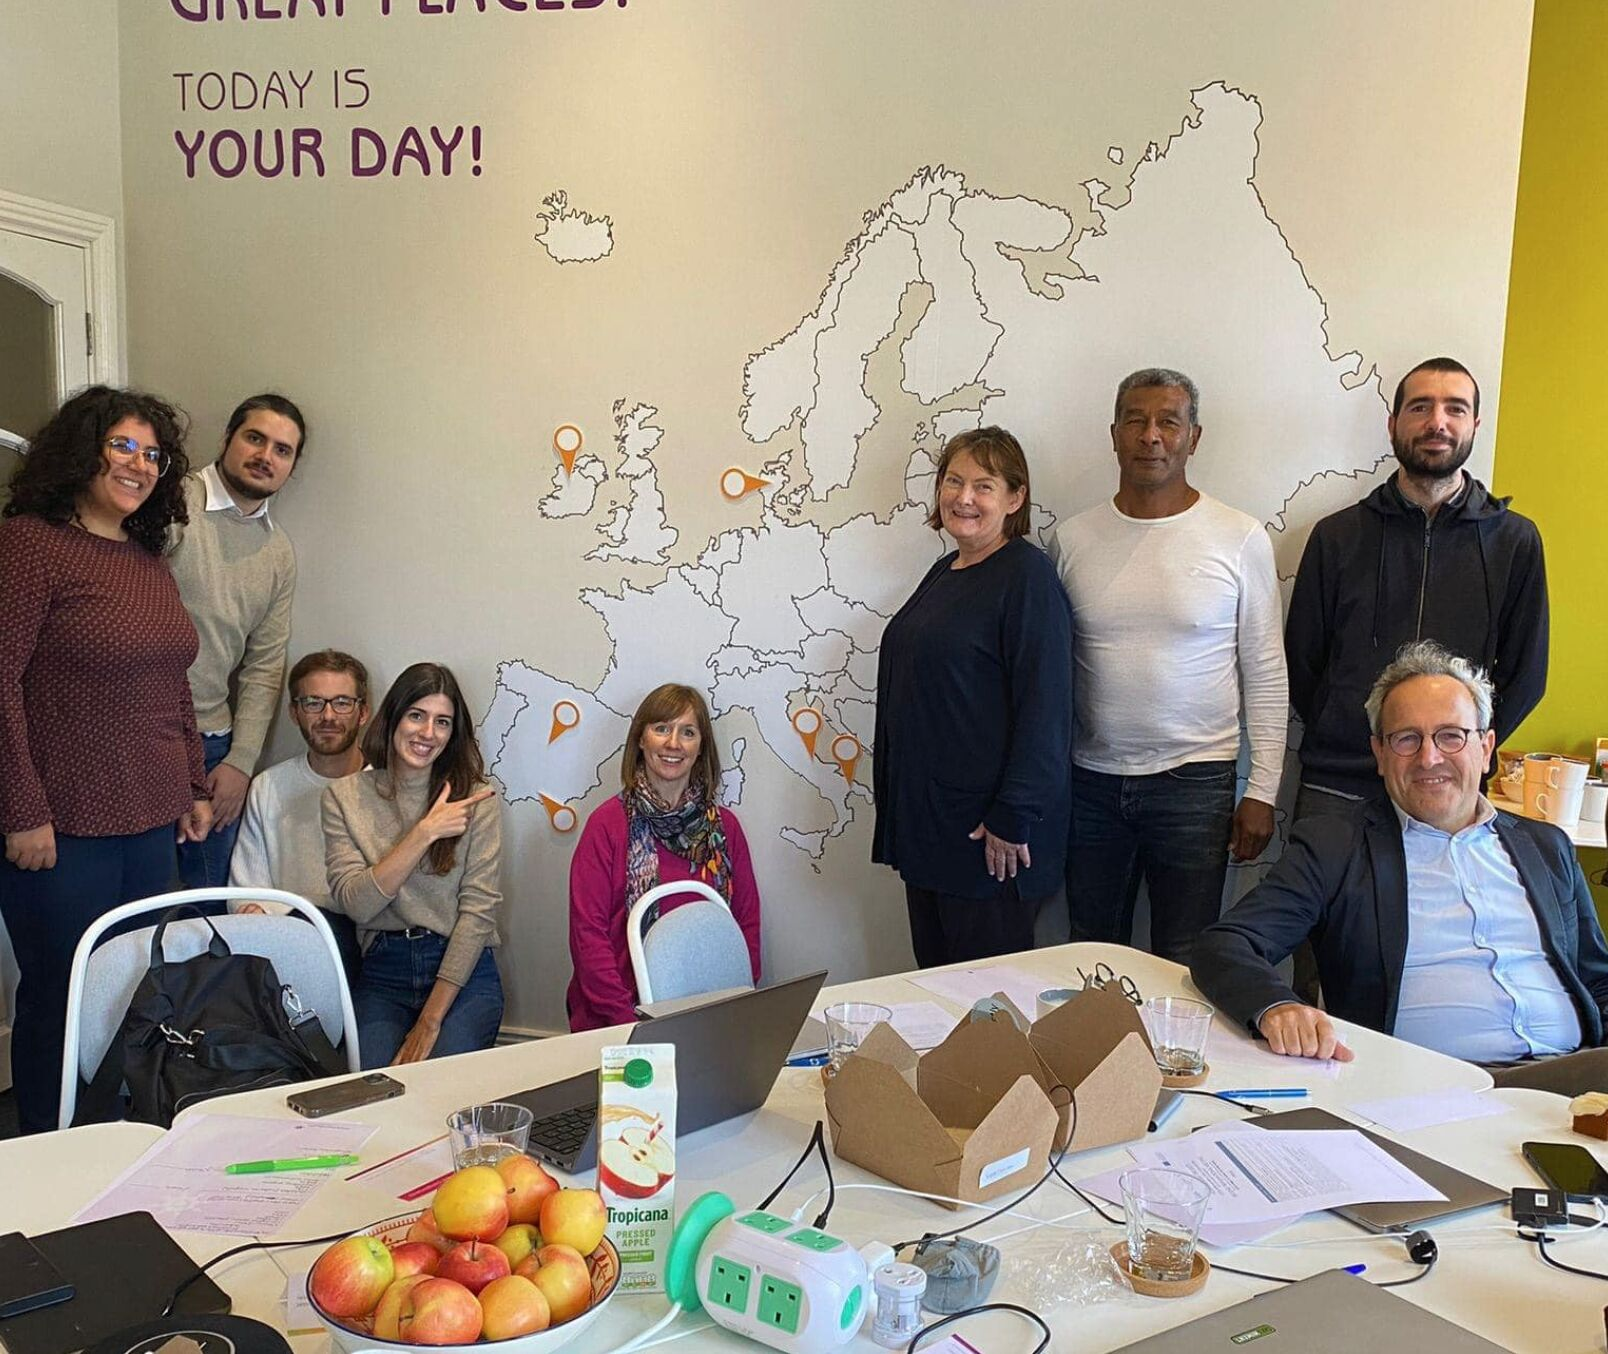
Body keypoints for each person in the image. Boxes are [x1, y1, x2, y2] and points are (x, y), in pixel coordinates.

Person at [1191, 641, 1608, 1096]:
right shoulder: (1336, 846)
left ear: (1486, 747)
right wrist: (1276, 1006)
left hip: (1575, 1087)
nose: (1429, 758)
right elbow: (1225, 945)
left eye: (1451, 735)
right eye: (1407, 739)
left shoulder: (1547, 848)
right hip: (1429, 1091)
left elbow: (1598, 981)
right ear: (1380, 754)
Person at [0, 386, 212, 1133]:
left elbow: (170, 681)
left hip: (150, 821)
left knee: (127, 995)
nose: (139, 464)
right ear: (82, 449)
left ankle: (108, 1147)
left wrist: (192, 784)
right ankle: (46, 1156)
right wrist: (21, 812)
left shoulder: (146, 558)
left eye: (153, 454)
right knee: (63, 998)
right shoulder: (30, 544)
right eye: (122, 446)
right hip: (62, 827)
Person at [1049, 369, 1286, 964]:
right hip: (1091, 784)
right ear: (1113, 434)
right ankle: (1101, 1061)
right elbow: (1052, 671)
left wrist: (1262, 792)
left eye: (1168, 422)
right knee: (1091, 955)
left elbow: (1265, 670)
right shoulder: (1072, 539)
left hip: (1196, 783)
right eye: (1136, 420)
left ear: (1193, 437)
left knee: (1186, 960)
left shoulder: (1238, 537)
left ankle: (1176, 1064)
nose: (1151, 436)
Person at [1285, 357, 1548, 819]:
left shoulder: (1514, 542)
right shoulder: (1337, 537)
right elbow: (1303, 662)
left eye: (1455, 409)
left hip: (1447, 788)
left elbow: (1526, 674)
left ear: (1475, 424)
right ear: (1393, 425)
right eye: (1421, 407)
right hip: (1338, 785)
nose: (1437, 423)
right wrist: (1347, 730)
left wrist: (1458, 750)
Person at [873, 426, 1073, 968]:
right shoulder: (946, 570)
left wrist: (1012, 816)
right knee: (937, 992)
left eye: (984, 486)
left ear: (1015, 498)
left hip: (991, 844)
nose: (964, 498)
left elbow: (1047, 710)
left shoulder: (1026, 578)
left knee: (984, 1014)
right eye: (954, 481)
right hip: (935, 831)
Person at [322, 662, 504, 1066]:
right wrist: (425, 833)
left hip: (461, 972)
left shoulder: (477, 799)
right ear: (393, 718)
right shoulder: (343, 798)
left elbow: (478, 913)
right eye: (417, 715)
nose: (428, 733)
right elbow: (357, 904)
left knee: (440, 1086)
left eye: (443, 722)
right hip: (384, 971)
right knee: (377, 1089)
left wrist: (431, 1020)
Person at [567, 684, 761, 1031]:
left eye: (688, 732)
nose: (673, 743)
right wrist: (631, 1024)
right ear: (641, 740)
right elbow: (588, 937)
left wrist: (734, 1007)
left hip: (709, 1016)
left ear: (700, 748)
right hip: (620, 1016)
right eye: (661, 729)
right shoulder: (607, 825)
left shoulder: (725, 829)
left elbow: (745, 927)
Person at [169, 394, 303, 887]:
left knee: (205, 906)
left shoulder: (279, 552)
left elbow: (265, 666)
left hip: (213, 748)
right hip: (141, 735)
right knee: (132, 908)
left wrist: (240, 763)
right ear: (227, 439)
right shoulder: (170, 503)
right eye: (255, 438)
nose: (266, 455)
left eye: (283, 450)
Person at [229, 649, 370, 987]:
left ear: (363, 712)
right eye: (313, 703)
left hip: (364, 950)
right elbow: (245, 889)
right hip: (285, 945)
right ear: (294, 712)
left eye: (342, 702)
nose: (328, 716)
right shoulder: (269, 787)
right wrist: (255, 912)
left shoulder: (385, 787)